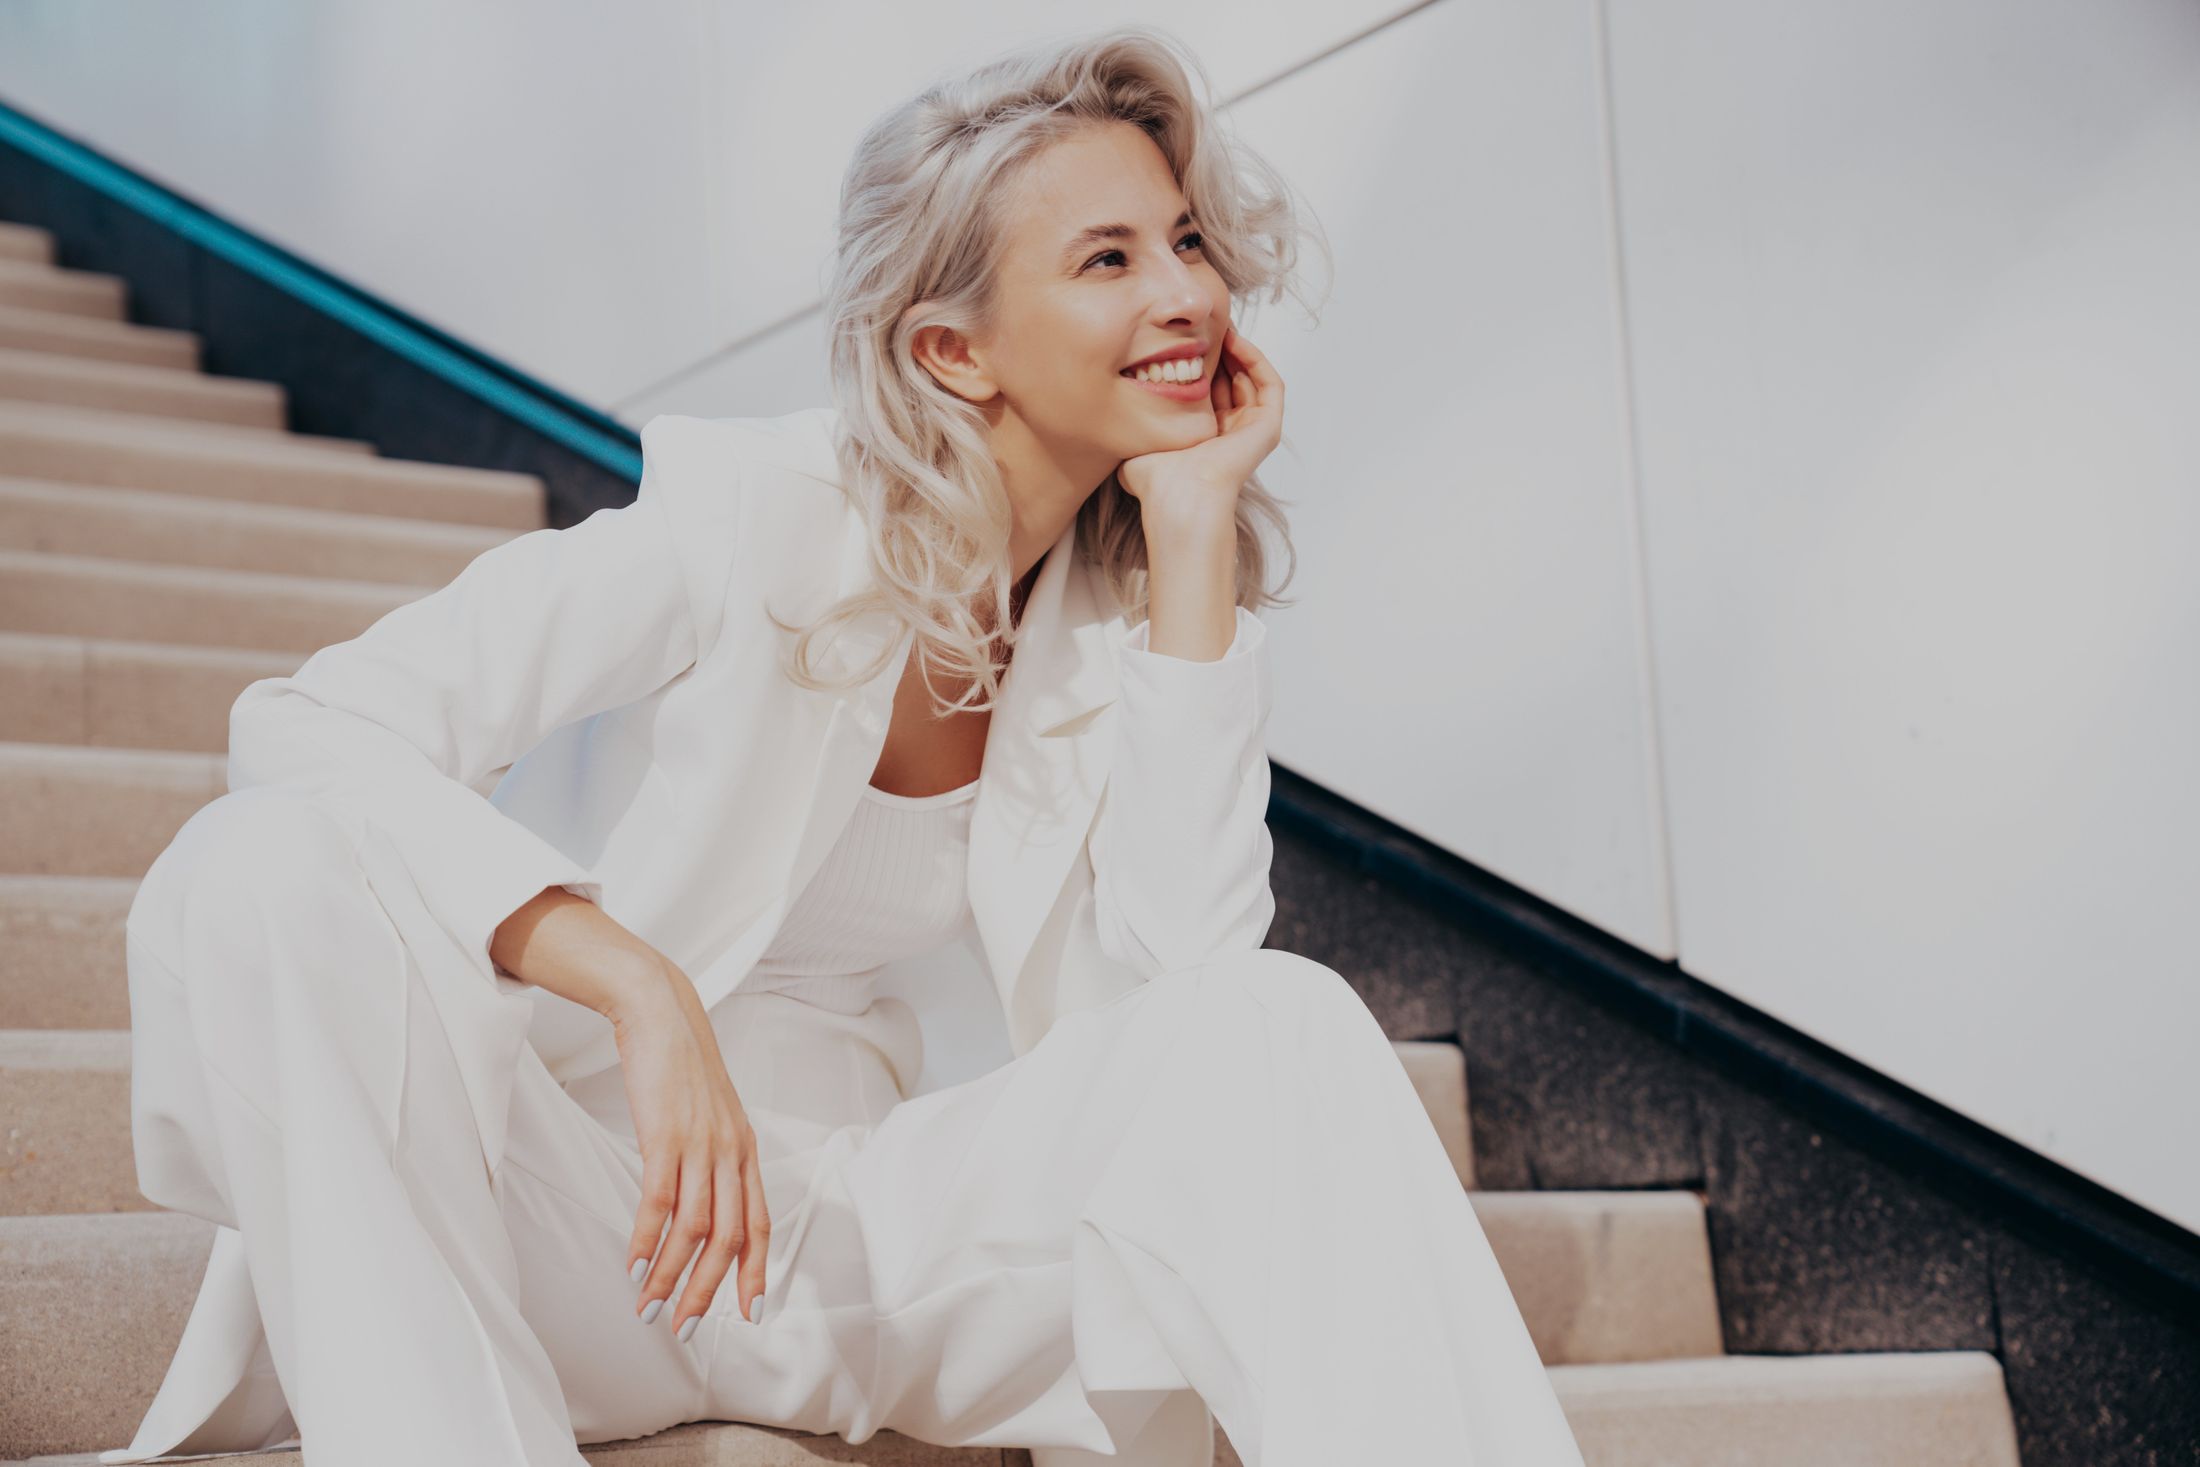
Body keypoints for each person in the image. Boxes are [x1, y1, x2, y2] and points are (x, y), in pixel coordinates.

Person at [104, 23, 1587, 1467]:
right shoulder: (749, 517)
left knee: (1280, 1019)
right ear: (955, 350)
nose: (1187, 294)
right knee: (263, 864)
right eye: (1110, 259)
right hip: (563, 1223)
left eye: (1188, 241)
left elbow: (1182, 1000)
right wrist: (631, 979)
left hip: (843, 1254)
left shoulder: (1119, 610)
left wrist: (1192, 540)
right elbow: (303, 725)